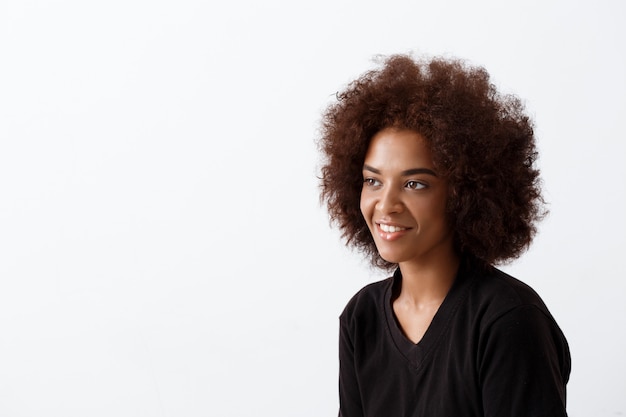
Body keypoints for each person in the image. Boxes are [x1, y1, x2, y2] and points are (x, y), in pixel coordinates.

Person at [317, 54, 571, 417]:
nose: (385, 204)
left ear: (465, 194)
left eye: (414, 184)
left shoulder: (507, 319)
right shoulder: (362, 318)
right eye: (373, 181)